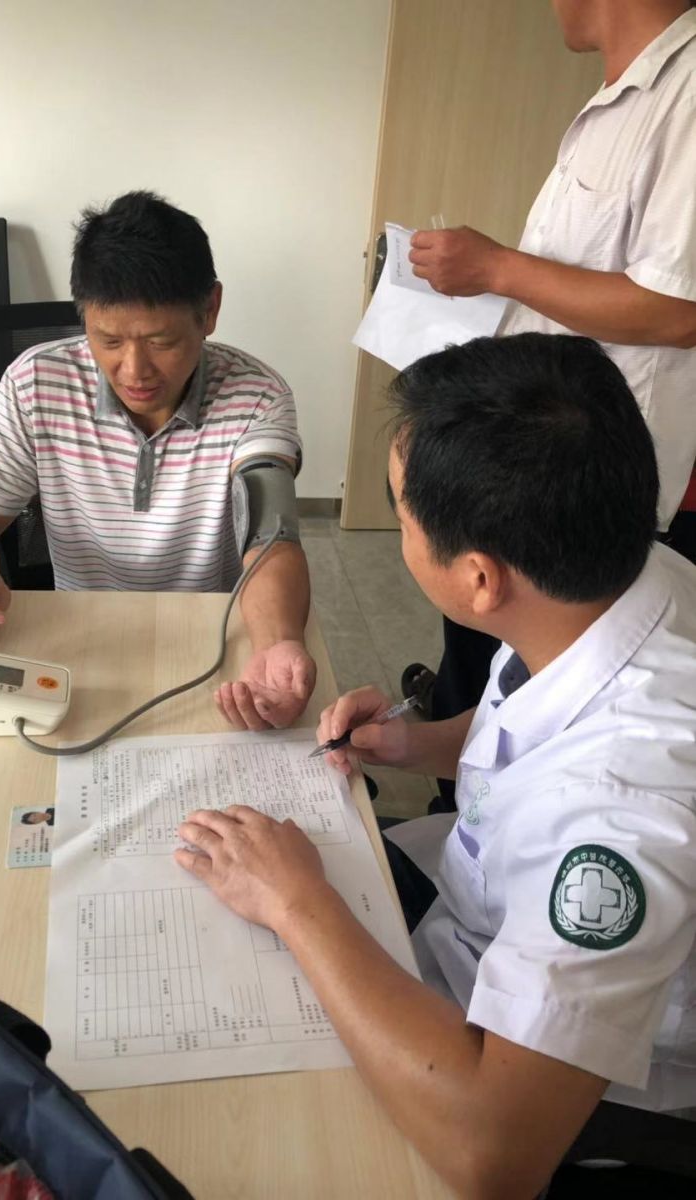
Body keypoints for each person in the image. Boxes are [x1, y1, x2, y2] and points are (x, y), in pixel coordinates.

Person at [175, 334, 696, 1198]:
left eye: (404, 519)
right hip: (469, 910)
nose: (400, 535)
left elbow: (494, 1154)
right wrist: (420, 743)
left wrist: (297, 904)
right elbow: (534, 728)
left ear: (479, 578)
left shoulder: (624, 816)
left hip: (542, 1078)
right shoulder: (621, 573)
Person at [404, 0, 696, 804]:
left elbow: (678, 309)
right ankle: (455, 795)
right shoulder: (623, 95)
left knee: (542, 670)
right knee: (491, 655)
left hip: (588, 468)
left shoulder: (689, 90)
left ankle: (479, 816)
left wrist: (498, 268)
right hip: (538, 447)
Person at [0, 191, 316, 731]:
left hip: (211, 636)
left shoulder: (257, 396)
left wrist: (277, 644)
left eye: (161, 341)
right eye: (108, 340)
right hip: (81, 635)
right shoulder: (35, 383)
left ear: (209, 310)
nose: (134, 370)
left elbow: (270, 537)